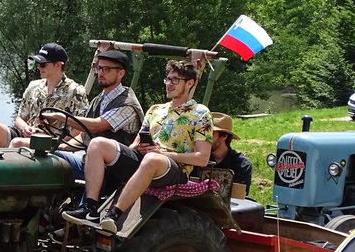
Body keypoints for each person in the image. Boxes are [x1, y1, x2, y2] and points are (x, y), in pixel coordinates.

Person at [65, 59, 213, 234]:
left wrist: (165, 153)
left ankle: (113, 215)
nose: (169, 84)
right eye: (167, 79)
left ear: (190, 83)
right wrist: (138, 148)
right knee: (98, 144)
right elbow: (135, 143)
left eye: (175, 80)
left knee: (152, 158)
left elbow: (202, 158)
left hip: (174, 170)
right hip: (146, 160)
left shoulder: (200, 113)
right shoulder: (155, 110)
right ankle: (90, 209)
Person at [47, 49, 144, 180]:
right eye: (99, 68)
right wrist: (61, 146)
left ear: (121, 73)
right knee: (44, 156)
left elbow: (96, 126)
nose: (100, 73)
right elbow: (85, 134)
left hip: (114, 171)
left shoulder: (127, 104)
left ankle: (89, 200)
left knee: (50, 162)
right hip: (91, 162)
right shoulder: (99, 99)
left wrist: (61, 117)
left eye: (107, 69)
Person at [0, 43, 87, 148]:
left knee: (17, 143)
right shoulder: (33, 86)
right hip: (26, 135)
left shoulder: (76, 91)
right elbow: (20, 118)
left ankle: (4, 170)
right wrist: (25, 128)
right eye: (37, 64)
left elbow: (80, 129)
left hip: (52, 141)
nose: (38, 67)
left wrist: (61, 144)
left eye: (43, 64)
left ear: (58, 65)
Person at [209, 112, 253, 197]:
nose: (205, 138)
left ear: (224, 136)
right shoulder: (200, 160)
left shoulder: (242, 165)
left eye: (210, 134)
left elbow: (239, 196)